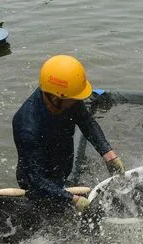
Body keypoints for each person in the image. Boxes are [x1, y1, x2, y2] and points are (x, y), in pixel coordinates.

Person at [12, 54, 125, 212]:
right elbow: (35, 179)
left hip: (60, 166)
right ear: (56, 98)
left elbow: (86, 122)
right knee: (50, 217)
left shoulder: (65, 96)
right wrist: (72, 199)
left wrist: (108, 153)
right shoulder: (28, 126)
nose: (77, 102)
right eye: (74, 99)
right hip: (37, 180)